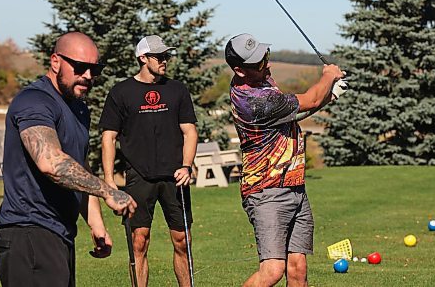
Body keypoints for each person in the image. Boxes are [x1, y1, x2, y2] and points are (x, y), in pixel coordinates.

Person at [0, 32, 137, 287]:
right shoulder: (35, 102)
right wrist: (108, 191)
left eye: (95, 69)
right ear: (56, 61)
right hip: (29, 235)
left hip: (58, 234)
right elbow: (52, 163)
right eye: (80, 67)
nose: (88, 76)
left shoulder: (78, 107)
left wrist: (96, 224)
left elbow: (79, 168)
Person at [225, 33, 345, 287]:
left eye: (265, 57)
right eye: (259, 63)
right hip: (266, 191)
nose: (267, 65)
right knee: (272, 270)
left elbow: (293, 114)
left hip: (293, 186)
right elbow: (310, 99)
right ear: (239, 70)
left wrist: (329, 96)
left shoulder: (262, 84)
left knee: (297, 267)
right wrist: (328, 76)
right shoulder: (255, 101)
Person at [100, 35, 198, 287]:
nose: (165, 60)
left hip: (174, 177)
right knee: (139, 242)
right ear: (142, 58)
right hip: (139, 178)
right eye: (159, 56)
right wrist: (110, 181)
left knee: (181, 241)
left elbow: (189, 131)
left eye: (166, 56)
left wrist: (187, 166)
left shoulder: (177, 89)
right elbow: (109, 137)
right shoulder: (121, 92)